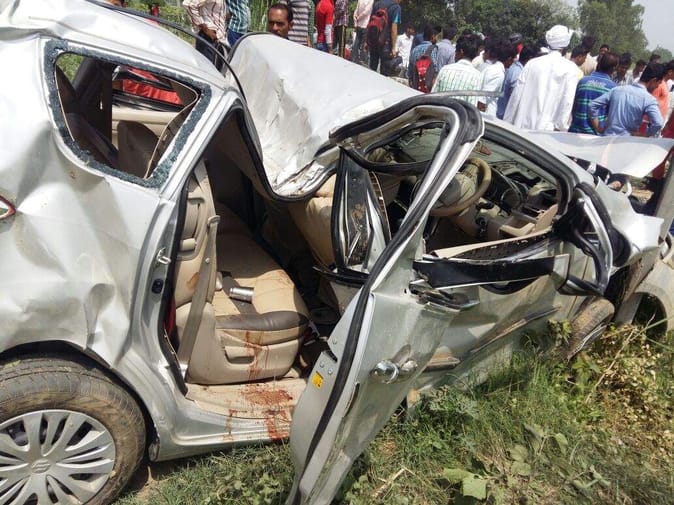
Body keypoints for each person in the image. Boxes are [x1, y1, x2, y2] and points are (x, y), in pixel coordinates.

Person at [503, 25, 578, 131]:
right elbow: (567, 101)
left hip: (521, 127)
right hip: (547, 131)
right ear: (566, 46)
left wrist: (508, 122)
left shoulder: (532, 63)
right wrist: (561, 127)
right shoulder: (571, 69)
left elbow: (516, 95)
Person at [588, 62, 665, 137]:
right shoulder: (649, 99)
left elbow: (592, 105)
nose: (657, 86)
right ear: (653, 80)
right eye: (658, 83)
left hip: (607, 138)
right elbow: (658, 123)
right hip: (626, 142)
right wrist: (644, 135)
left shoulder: (617, 90)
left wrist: (598, 127)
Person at [569, 52, 618, 134]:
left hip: (575, 131)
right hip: (595, 135)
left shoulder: (583, 81)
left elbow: (574, 106)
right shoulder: (613, 88)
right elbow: (611, 115)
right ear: (613, 68)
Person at [431, 33, 482, 106]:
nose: (454, 54)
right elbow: (471, 105)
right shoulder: (477, 76)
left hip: (439, 111)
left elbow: (433, 96)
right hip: (459, 113)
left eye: (455, 51)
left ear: (461, 52)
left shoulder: (445, 69)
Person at [183, 0, 227, 70]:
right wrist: (206, 29)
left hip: (217, 38)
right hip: (208, 38)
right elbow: (188, 4)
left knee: (216, 71)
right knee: (208, 70)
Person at [478, 37, 515, 116]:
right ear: (509, 59)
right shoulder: (498, 73)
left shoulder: (493, 68)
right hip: (486, 115)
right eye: (513, 60)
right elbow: (483, 99)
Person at [497, 45, 535, 119]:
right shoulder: (518, 73)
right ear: (530, 59)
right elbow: (515, 96)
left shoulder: (513, 66)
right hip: (503, 114)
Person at [368, 0, 402, 75]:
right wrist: (393, 47)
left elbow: (370, 22)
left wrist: (367, 41)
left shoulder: (378, 4)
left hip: (374, 40)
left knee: (372, 68)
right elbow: (394, 28)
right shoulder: (396, 7)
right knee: (384, 71)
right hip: (386, 43)